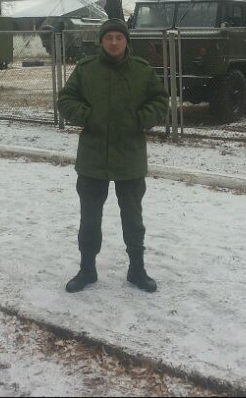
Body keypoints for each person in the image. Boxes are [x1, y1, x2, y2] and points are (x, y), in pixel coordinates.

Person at [57, 18, 168, 293]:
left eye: (119, 37)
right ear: (101, 41)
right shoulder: (86, 70)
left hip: (129, 157)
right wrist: (88, 116)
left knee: (133, 219)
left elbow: (160, 101)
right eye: (109, 38)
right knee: (89, 219)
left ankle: (137, 269)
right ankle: (87, 269)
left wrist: (140, 119)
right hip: (93, 158)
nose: (114, 42)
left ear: (126, 41)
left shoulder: (142, 71)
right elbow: (66, 99)